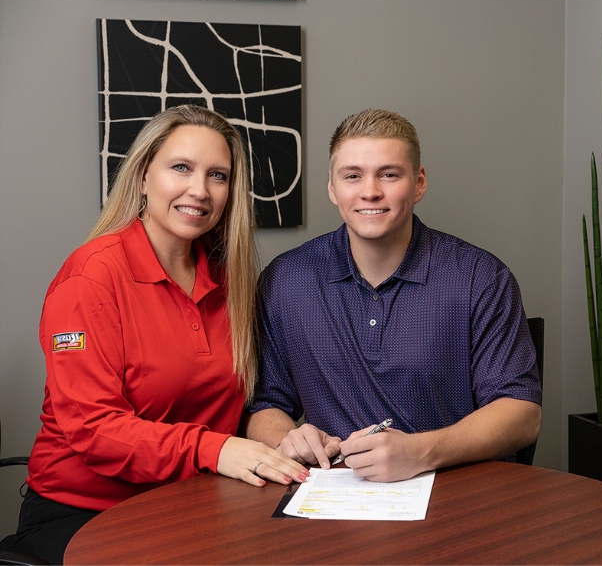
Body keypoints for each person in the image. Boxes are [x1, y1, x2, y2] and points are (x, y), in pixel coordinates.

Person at [0, 105, 309, 564]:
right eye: (181, 168)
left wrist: (287, 437)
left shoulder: (231, 281)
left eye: (218, 176)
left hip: (196, 503)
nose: (199, 190)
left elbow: (240, 406)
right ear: (144, 176)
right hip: (86, 513)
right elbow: (94, 429)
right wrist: (215, 448)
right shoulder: (90, 278)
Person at [245, 108, 542, 483]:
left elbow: (522, 414)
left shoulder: (481, 278)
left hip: (458, 494)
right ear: (332, 188)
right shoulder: (285, 281)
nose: (370, 190)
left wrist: (420, 452)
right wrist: (288, 438)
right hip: (334, 499)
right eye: (352, 176)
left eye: (389, 174)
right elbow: (263, 407)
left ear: (419, 183)